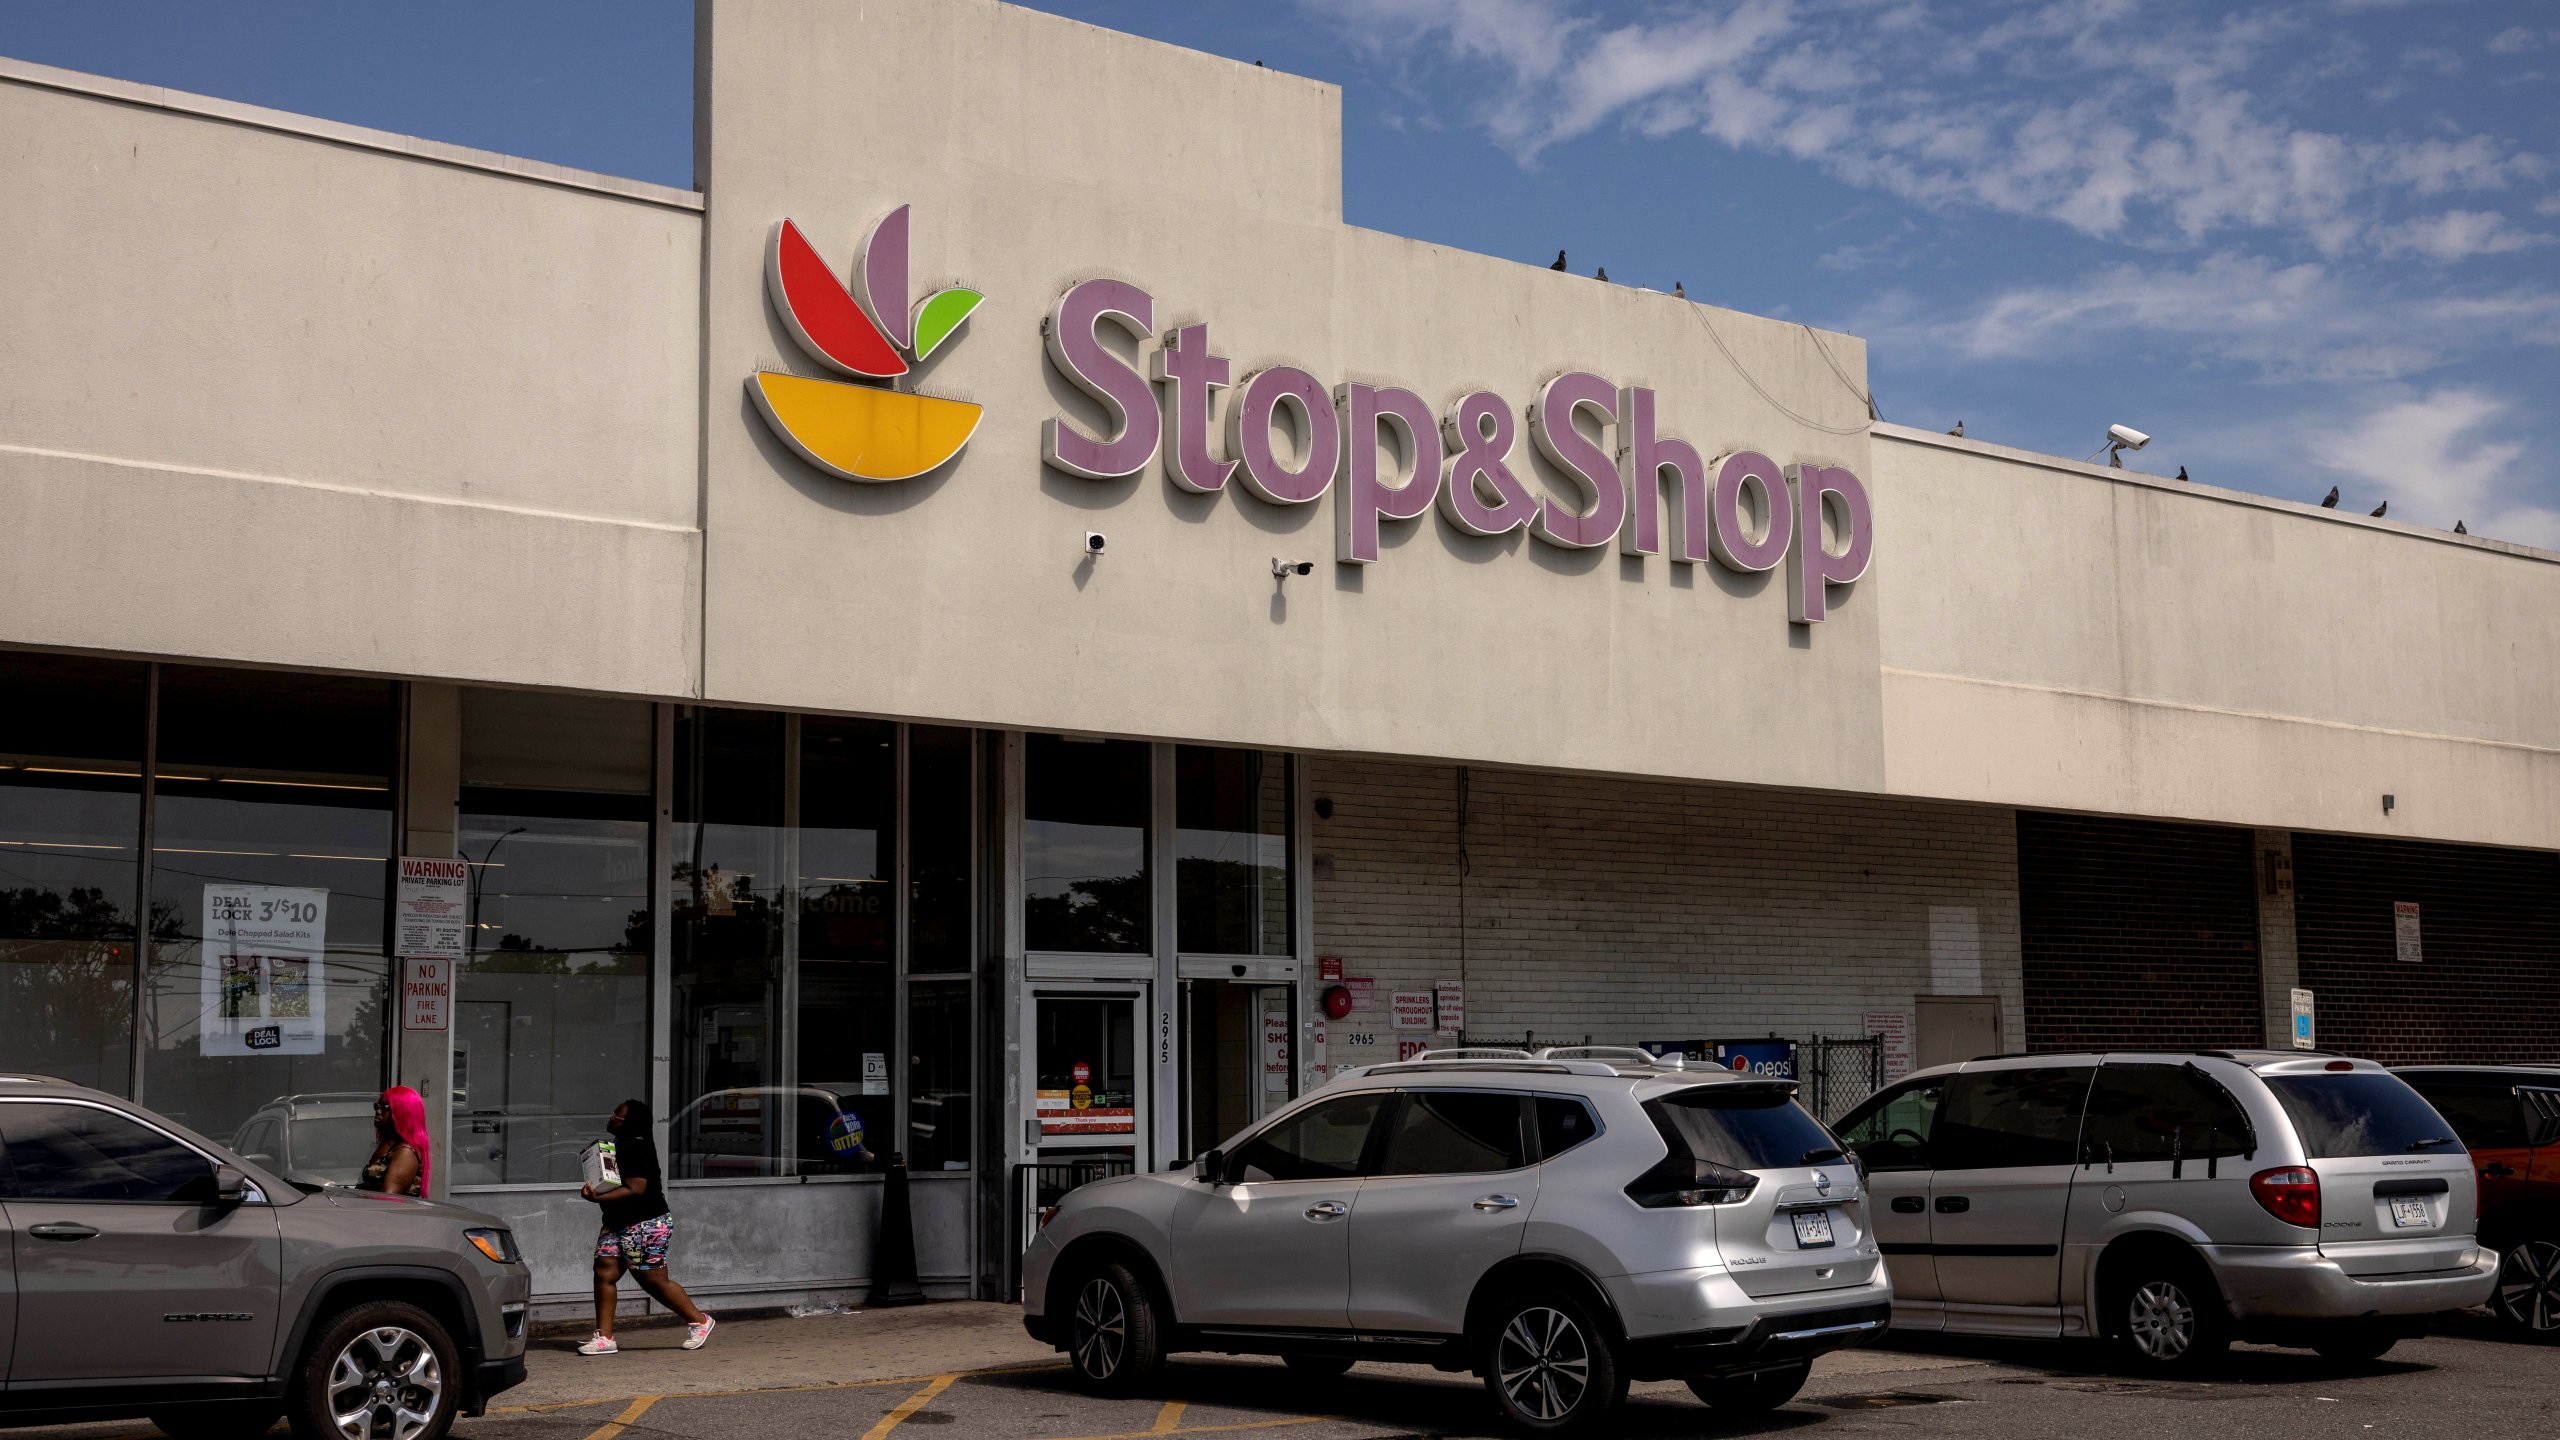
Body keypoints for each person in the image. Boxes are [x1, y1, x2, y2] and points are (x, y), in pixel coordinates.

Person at [579, 1098, 714, 1354]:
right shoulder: (618, 1145)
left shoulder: (635, 1146)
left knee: (653, 1280)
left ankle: (700, 1321)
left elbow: (636, 1188)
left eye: (617, 1114)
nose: (611, 1117)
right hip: (616, 1223)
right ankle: (604, 1338)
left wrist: (597, 1197)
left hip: (645, 1222)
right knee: (604, 1273)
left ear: (629, 1122)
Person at [357, 1086, 429, 1197]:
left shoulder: (406, 1152)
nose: (378, 1111)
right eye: (377, 1106)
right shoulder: (387, 1143)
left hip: (385, 1212)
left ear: (403, 1112)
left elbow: (388, 1198)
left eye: (385, 1107)